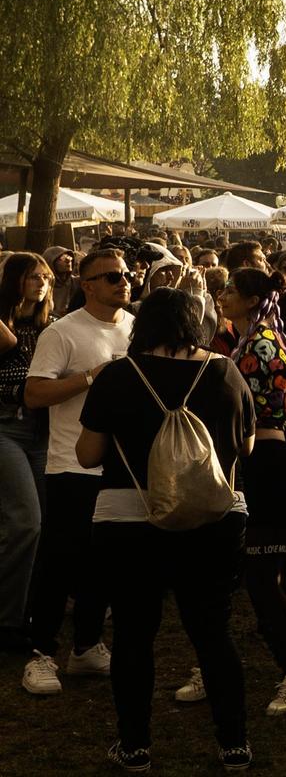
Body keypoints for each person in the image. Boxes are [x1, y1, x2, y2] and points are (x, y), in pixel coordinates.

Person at [73, 287, 255, 771]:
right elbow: (248, 446)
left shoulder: (118, 377)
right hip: (213, 520)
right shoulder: (224, 370)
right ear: (196, 323)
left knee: (134, 632)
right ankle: (233, 743)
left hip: (128, 519)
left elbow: (88, 455)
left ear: (142, 325)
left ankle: (134, 746)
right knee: (213, 632)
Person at [195, 269, 286, 717]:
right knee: (238, 574)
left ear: (251, 300)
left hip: (269, 469)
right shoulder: (247, 341)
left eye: (230, 290)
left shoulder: (260, 345)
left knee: (263, 579)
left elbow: (245, 413)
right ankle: (214, 666)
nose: (222, 296)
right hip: (254, 467)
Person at [21, 248, 132, 695]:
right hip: (71, 464)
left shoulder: (133, 326)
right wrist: (92, 377)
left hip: (121, 467)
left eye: (125, 274)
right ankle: (40, 652)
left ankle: (85, 647)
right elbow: (33, 394)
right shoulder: (62, 332)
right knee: (60, 561)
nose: (123, 281)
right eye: (111, 277)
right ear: (88, 285)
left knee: (105, 564)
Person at [0, 253, 54, 655]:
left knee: (44, 524)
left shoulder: (50, 328)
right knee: (26, 522)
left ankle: (31, 611)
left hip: (41, 431)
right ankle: (7, 622)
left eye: (46, 277)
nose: (42, 282)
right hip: (4, 426)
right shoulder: (4, 323)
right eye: (33, 276)